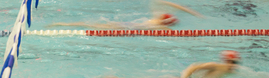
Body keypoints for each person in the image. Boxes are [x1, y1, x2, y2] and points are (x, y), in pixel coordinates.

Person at [47, 1, 203, 30]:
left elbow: (164, 4)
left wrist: (191, 12)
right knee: (93, 25)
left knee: (94, 24)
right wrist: (193, 13)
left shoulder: (158, 18)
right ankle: (63, 25)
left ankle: (63, 25)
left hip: (134, 24)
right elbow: (165, 4)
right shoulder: (158, 23)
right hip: (132, 26)